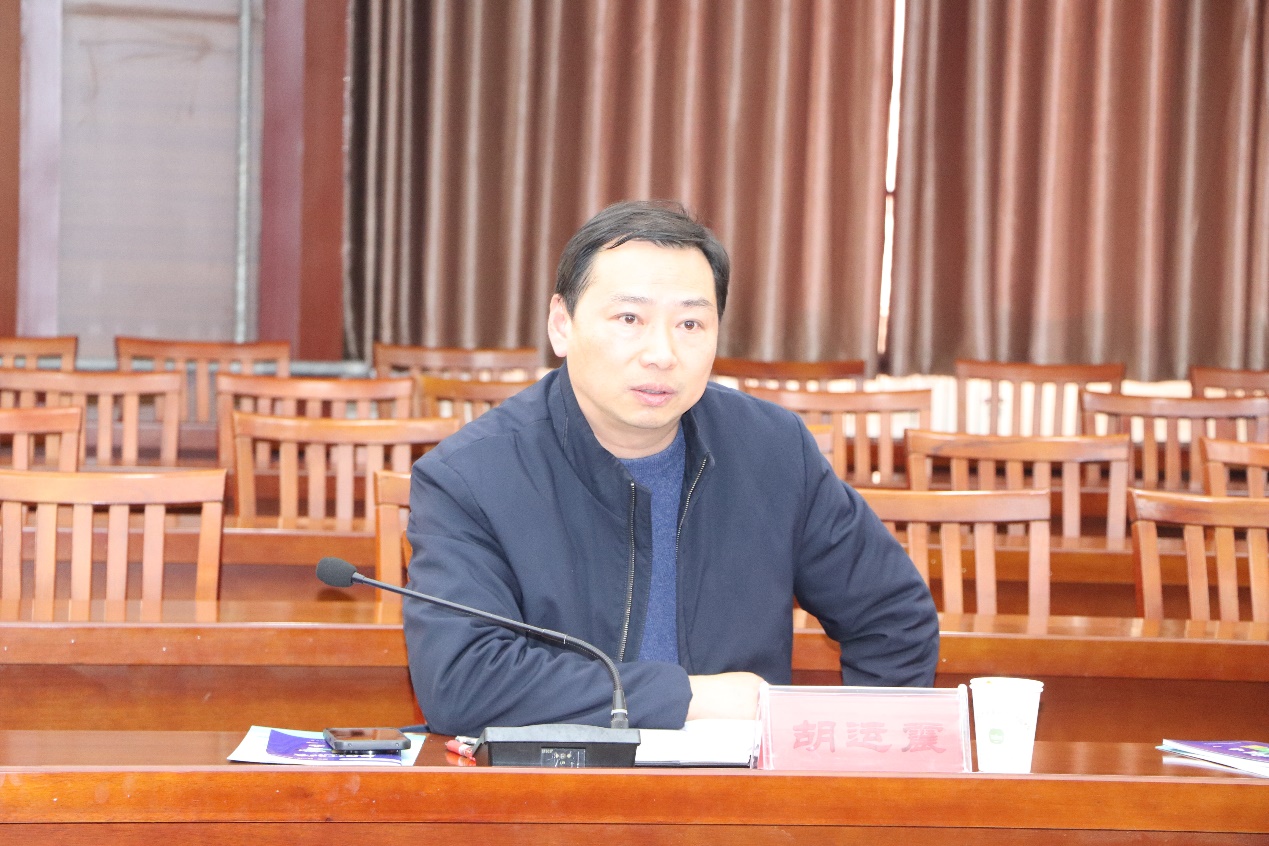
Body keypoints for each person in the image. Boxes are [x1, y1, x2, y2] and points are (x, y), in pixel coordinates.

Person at [403, 200, 939, 737]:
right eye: (629, 319)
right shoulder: (470, 477)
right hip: (560, 782)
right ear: (561, 325)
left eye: (690, 323)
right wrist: (690, 699)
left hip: (736, 784)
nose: (662, 353)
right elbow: (463, 681)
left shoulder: (774, 450)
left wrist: (853, 756)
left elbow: (894, 618)